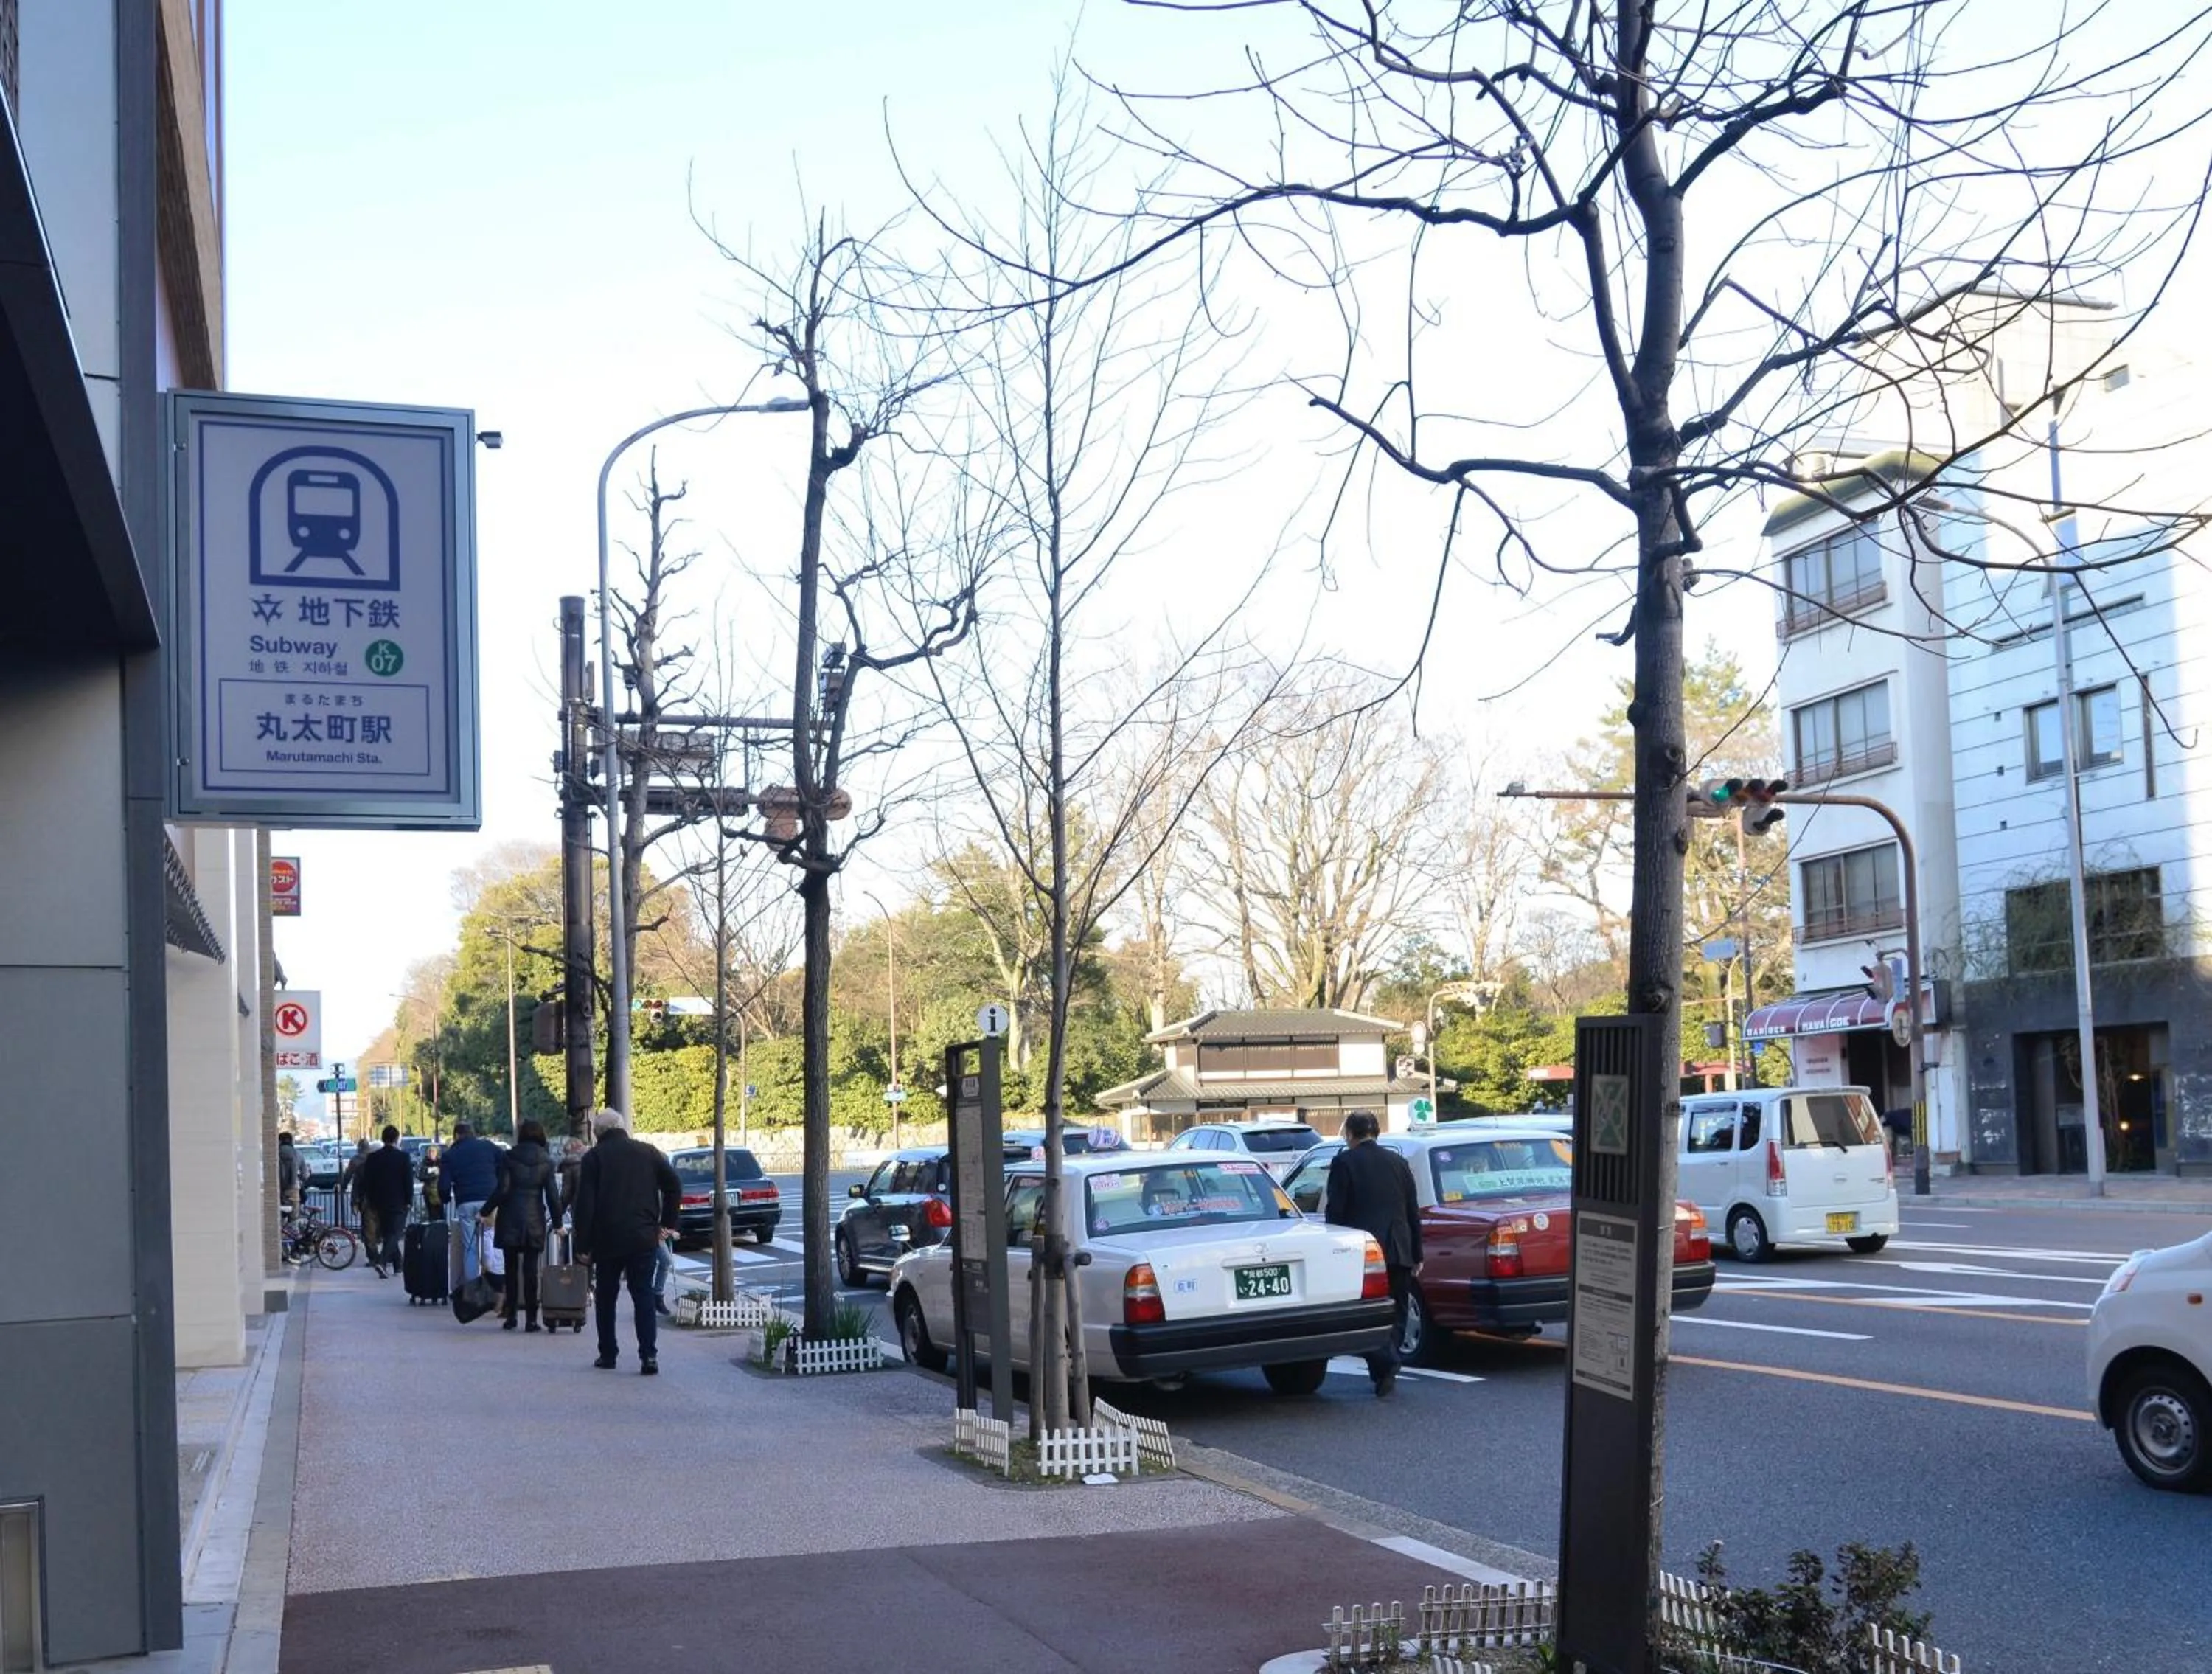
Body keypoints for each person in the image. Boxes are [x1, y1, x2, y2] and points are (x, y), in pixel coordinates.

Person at [571, 1109, 680, 1375]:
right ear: (622, 1127)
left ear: (598, 1134)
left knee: (606, 1297)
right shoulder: (648, 1152)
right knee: (642, 1294)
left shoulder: (594, 1158)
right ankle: (649, 1355)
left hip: (607, 1238)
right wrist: (666, 1225)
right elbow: (673, 1185)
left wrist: (582, 1246)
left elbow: (585, 1205)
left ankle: (608, 1353)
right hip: (644, 1236)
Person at [1324, 1109, 1423, 1399]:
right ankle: (1387, 1367)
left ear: (1350, 1134)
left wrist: (1334, 1247)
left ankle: (1386, 1362)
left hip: (1364, 1251)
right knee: (1398, 1309)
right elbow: (1411, 1209)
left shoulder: (1344, 1162)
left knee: (1363, 1313)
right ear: (1376, 1132)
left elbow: (1336, 1210)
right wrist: (1417, 1252)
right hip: (1399, 1246)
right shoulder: (1398, 1161)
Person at [481, 1119, 563, 1332]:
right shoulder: (546, 1161)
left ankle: (511, 1317)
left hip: (510, 1216)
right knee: (531, 1270)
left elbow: (503, 1189)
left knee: (510, 1268)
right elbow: (553, 1197)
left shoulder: (509, 1157)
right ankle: (532, 1320)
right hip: (534, 1217)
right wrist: (558, 1223)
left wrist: (485, 1210)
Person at [439, 1121, 501, 1283]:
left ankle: (473, 1287)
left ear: (456, 1136)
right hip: (490, 1199)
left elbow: (444, 1185)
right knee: (491, 1237)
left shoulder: (450, 1155)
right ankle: (494, 1280)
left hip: (465, 1201)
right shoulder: (488, 1147)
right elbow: (505, 1163)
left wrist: (444, 1198)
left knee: (470, 1246)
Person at [354, 1126, 416, 1279]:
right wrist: (409, 1200)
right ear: (396, 1139)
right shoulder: (403, 1157)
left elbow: (368, 1181)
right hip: (398, 1201)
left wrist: (372, 1199)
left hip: (378, 1202)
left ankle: (398, 1265)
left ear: (383, 1139)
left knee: (389, 1233)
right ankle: (382, 1261)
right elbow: (408, 1181)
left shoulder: (373, 1158)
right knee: (395, 1233)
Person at [276, 1132, 302, 1211]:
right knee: (293, 1217)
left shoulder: (276, 1153)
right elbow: (305, 1174)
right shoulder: (297, 1153)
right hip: (293, 1188)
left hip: (278, 1188)